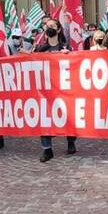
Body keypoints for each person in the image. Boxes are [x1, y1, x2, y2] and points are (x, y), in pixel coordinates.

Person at [35, 19, 77, 162]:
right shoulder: (41, 50)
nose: (49, 28)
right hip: (46, 92)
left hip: (64, 90)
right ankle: (47, 150)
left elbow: (76, 67)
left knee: (67, 115)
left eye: (52, 26)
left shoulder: (66, 48)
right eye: (47, 26)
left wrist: (69, 56)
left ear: (58, 30)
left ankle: (71, 141)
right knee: (45, 118)